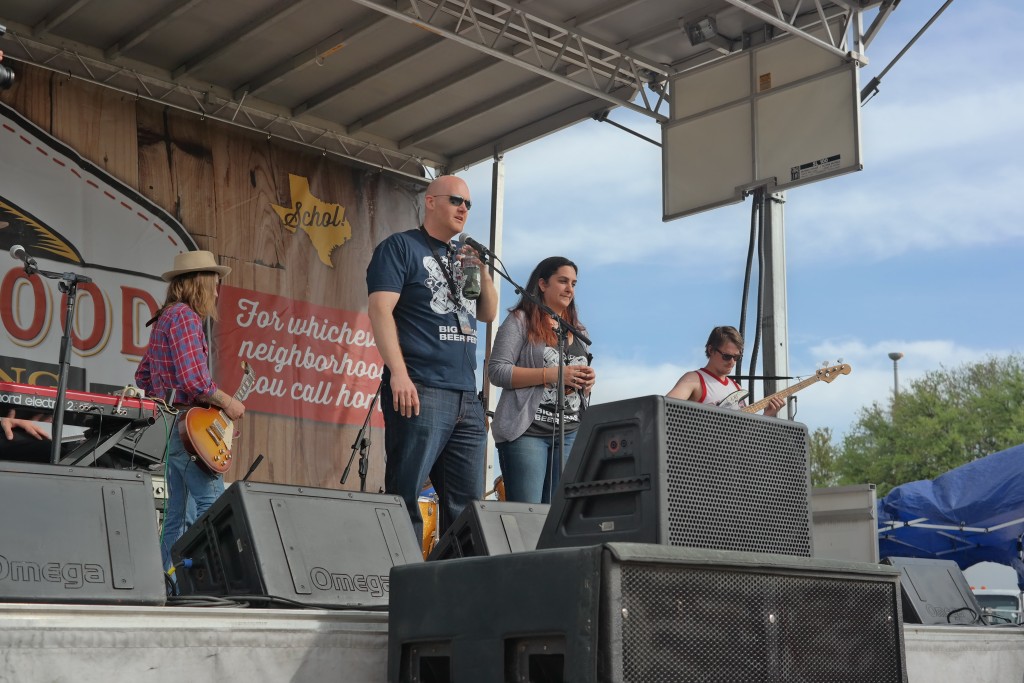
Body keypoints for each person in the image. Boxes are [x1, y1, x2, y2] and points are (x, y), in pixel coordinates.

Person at [366, 175, 497, 541]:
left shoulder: (464, 256)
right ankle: (400, 585)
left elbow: (487, 313)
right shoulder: (400, 247)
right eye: (456, 200)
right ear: (431, 202)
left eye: (469, 204)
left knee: (468, 507)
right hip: (421, 387)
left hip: (466, 396)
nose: (464, 209)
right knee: (405, 497)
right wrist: (399, 374)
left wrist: (481, 268)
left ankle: (463, 590)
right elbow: (380, 310)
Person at [135, 250, 245, 572]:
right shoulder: (185, 317)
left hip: (173, 429)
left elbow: (142, 376)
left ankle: (167, 584)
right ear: (199, 283)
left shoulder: (164, 318)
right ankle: (205, 580)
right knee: (212, 506)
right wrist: (228, 403)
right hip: (190, 430)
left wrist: (168, 401)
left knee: (177, 515)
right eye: (213, 284)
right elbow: (196, 381)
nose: (215, 292)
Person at [488, 257, 595, 503]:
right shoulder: (520, 321)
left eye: (574, 284)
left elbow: (575, 383)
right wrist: (553, 374)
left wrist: (587, 383)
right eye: (563, 281)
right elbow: (497, 371)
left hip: (569, 432)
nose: (570, 289)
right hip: (528, 432)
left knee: (557, 519)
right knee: (529, 516)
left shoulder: (579, 330)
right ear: (543, 284)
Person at [667, 325, 784, 416]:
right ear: (711, 350)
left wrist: (767, 415)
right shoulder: (694, 379)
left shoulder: (737, 388)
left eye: (737, 357)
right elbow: (664, 409)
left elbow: (746, 434)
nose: (732, 362)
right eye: (727, 356)